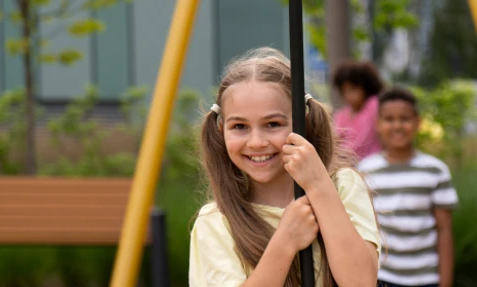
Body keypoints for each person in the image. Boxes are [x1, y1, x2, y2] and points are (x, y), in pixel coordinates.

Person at [188, 47, 381, 287]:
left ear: (302, 123)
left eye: (273, 124)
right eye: (239, 126)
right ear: (221, 130)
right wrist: (285, 242)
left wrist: (318, 185)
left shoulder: (342, 187)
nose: (257, 142)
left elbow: (361, 282)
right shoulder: (216, 222)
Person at [357, 87, 458, 287]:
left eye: (405, 119)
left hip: (426, 279)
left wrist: (445, 283)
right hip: (382, 277)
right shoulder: (365, 171)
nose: (397, 125)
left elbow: (444, 231)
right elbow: (361, 232)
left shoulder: (435, 171)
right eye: (389, 119)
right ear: (378, 124)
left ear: (418, 122)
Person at [331, 60, 385, 160]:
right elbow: (336, 142)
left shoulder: (374, 105)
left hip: (372, 163)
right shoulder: (341, 115)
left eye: (353, 89)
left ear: (366, 87)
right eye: (344, 90)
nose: (348, 95)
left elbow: (366, 140)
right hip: (347, 164)